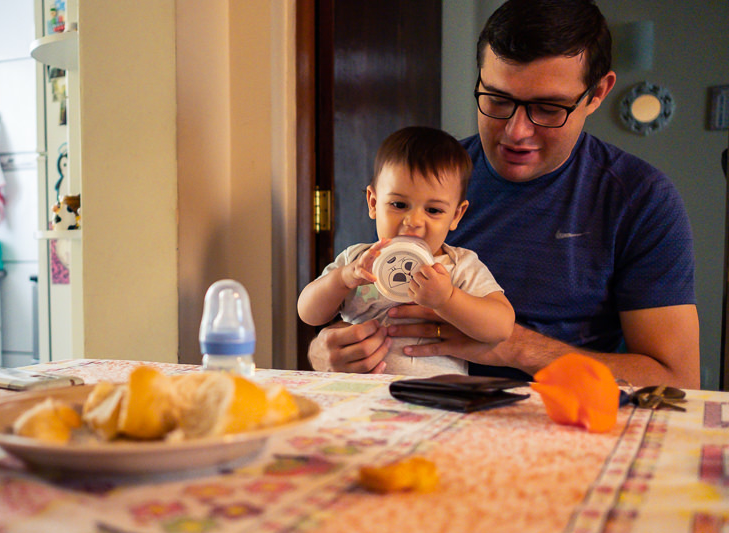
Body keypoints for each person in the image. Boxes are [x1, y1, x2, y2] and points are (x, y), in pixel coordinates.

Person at [309, 0, 700, 389]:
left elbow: (678, 381)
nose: (516, 132)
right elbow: (343, 305)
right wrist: (324, 352)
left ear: (597, 93)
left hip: (558, 420)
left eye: (548, 108)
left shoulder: (640, 199)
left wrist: (514, 347)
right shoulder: (427, 181)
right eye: (497, 100)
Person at [298, 126, 514, 377]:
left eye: (433, 210)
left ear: (456, 215)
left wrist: (447, 299)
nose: (413, 221)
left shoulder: (459, 265)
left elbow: (501, 327)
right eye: (399, 205)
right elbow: (308, 313)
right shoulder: (357, 261)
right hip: (361, 398)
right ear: (374, 203)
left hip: (434, 398)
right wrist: (343, 278)